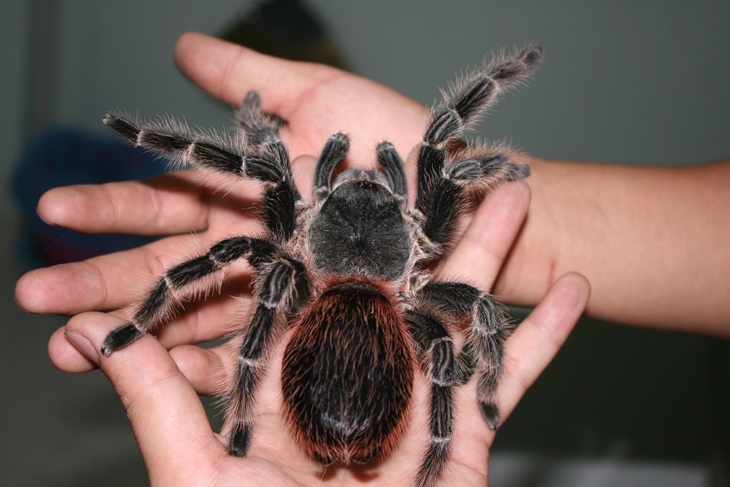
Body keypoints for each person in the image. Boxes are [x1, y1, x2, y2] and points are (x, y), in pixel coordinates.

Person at [11, 31, 725, 483]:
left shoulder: (290, 261)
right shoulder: (419, 256)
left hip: (331, 312)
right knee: (463, 312)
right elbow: (452, 182)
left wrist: (242, 132)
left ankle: (255, 417)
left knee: (246, 254)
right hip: (382, 314)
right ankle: (434, 454)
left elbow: (261, 173)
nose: (358, 177)